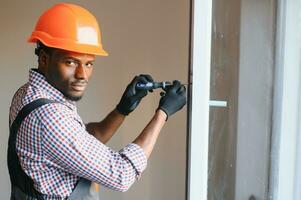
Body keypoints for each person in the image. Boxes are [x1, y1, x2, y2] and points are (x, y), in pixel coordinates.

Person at [7, 3, 186, 200]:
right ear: (44, 59)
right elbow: (121, 174)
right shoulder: (50, 117)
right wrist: (163, 113)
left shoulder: (29, 94)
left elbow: (86, 139)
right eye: (71, 62)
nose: (82, 74)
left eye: (89, 63)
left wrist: (122, 109)